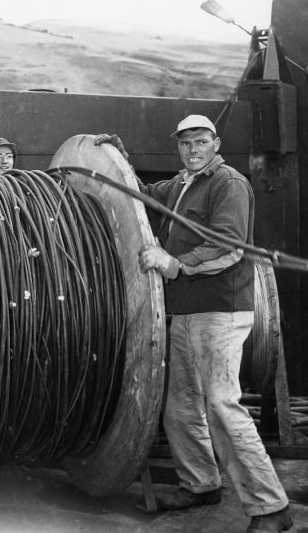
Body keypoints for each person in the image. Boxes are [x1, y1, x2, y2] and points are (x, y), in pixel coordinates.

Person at [97, 115, 292, 533]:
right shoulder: (182, 184)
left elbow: (229, 247)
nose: (193, 149)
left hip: (219, 311)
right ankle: (201, 483)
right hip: (183, 313)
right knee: (180, 404)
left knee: (222, 404)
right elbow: (141, 198)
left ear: (215, 142)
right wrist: (118, 159)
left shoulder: (229, 184)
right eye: (185, 144)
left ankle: (270, 507)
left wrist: (176, 264)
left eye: (200, 142)